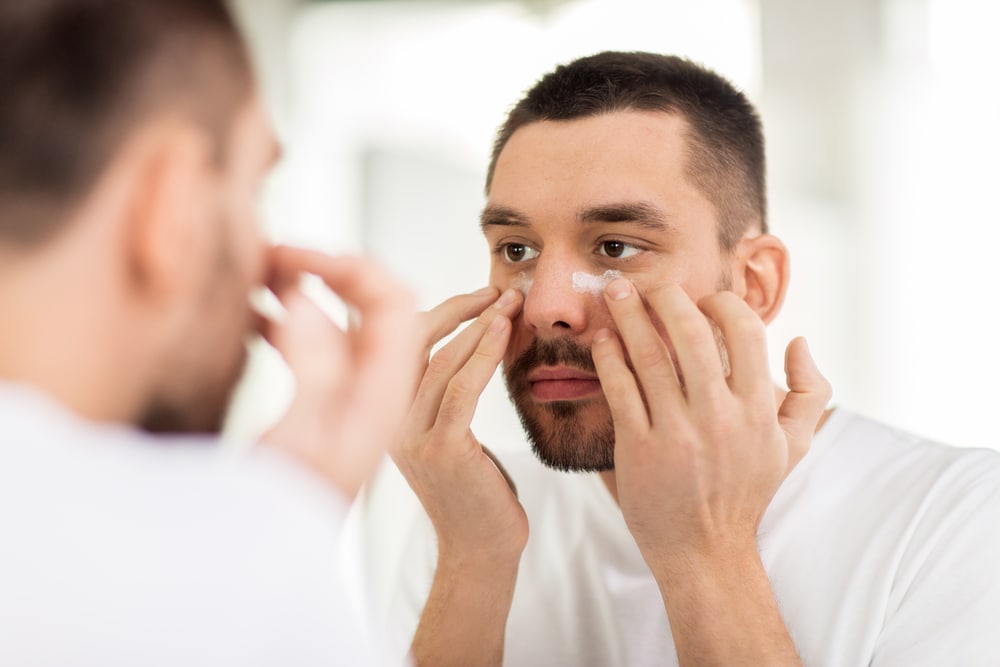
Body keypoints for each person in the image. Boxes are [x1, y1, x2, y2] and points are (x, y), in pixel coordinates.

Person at [358, 51, 1000, 665]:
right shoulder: (473, 514)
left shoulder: (957, 518)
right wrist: (473, 558)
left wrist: (705, 551)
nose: (544, 307)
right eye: (517, 250)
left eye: (614, 246)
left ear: (754, 285)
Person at [0, 1, 463, 664]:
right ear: (173, 202)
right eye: (253, 188)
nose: (263, 250)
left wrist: (293, 496)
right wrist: (273, 535)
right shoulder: (223, 586)